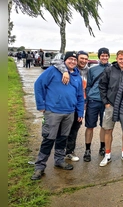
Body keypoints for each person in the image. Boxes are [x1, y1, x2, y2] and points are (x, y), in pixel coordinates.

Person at [31, 52, 84, 180]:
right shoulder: (52, 71)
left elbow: (80, 96)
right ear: (65, 60)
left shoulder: (77, 76)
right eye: (70, 59)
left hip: (69, 112)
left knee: (63, 138)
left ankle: (59, 160)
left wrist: (80, 111)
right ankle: (40, 166)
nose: (72, 62)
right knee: (49, 138)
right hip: (53, 111)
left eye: (74, 60)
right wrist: (41, 105)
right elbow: (38, 85)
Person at [98, 50, 123, 167]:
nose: (122, 61)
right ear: (117, 59)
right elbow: (102, 86)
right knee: (108, 130)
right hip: (111, 105)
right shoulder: (109, 69)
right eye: (120, 59)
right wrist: (106, 102)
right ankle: (107, 155)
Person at [54, 50, 89, 162]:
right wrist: (64, 71)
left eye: (85, 59)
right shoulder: (67, 68)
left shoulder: (89, 71)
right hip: (65, 105)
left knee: (74, 129)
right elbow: (56, 61)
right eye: (81, 58)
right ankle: (59, 152)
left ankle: (69, 151)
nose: (83, 61)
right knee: (61, 130)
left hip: (80, 104)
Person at [83, 47, 111, 162]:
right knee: (90, 126)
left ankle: (102, 147)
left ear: (108, 56)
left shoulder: (112, 69)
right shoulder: (92, 70)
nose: (104, 57)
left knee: (104, 126)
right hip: (93, 101)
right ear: (99, 57)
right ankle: (87, 150)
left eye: (106, 55)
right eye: (102, 55)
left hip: (106, 103)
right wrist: (88, 96)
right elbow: (88, 84)